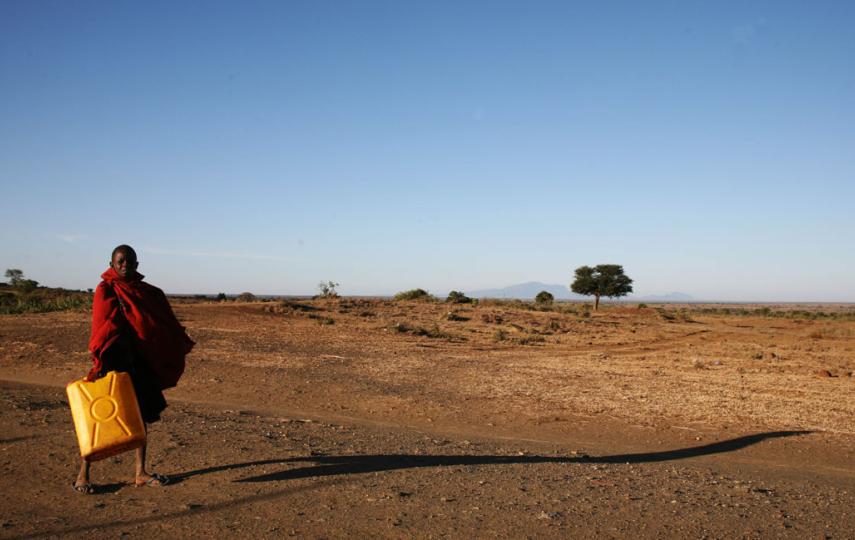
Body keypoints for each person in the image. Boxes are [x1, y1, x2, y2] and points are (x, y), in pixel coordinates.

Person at [73, 244, 194, 494]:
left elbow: (160, 322)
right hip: (114, 360)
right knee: (98, 413)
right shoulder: (105, 289)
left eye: (129, 261)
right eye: (120, 261)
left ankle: (140, 472)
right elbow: (102, 327)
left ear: (137, 265)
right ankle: (82, 475)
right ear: (112, 264)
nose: (125, 265)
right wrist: (103, 357)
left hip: (139, 361)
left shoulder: (149, 292)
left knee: (139, 415)